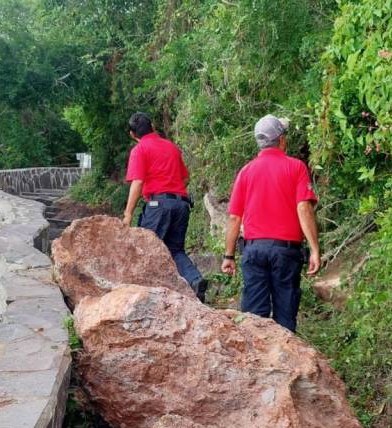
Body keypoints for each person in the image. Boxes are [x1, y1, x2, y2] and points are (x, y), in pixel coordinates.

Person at [221, 114, 320, 332]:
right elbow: (303, 207)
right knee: (285, 316)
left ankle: (256, 362)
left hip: (254, 250)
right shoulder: (296, 167)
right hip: (286, 252)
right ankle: (285, 361)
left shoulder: (246, 171)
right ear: (282, 140)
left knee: (254, 319)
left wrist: (228, 256)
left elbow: (234, 217)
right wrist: (314, 249)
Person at [123, 112, 208, 302]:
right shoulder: (171, 147)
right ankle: (195, 280)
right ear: (152, 126)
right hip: (181, 204)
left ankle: (147, 297)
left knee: (147, 248)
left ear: (132, 134)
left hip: (158, 205)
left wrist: (128, 213)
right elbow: (185, 178)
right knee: (175, 250)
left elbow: (137, 182)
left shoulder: (140, 149)